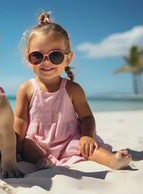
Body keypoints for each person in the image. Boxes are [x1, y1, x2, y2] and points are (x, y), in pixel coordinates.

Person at [14, 12, 132, 170]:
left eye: (55, 56)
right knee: (27, 145)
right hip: (37, 142)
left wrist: (87, 136)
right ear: (29, 60)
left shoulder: (72, 89)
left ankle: (112, 160)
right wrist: (14, 144)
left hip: (69, 139)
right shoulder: (26, 89)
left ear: (68, 58)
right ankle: (43, 160)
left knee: (87, 148)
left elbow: (87, 117)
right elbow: (20, 121)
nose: (46, 62)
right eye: (37, 56)